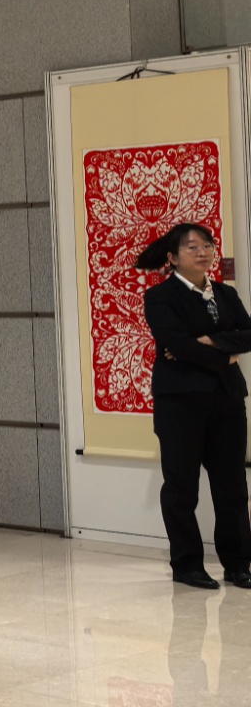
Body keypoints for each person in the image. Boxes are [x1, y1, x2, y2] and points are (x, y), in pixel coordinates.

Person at [137, 223, 251, 589]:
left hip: (227, 399)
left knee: (232, 486)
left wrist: (209, 341)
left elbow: (248, 334)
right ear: (172, 258)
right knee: (182, 488)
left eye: (207, 245)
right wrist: (227, 354)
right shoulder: (160, 297)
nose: (203, 252)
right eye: (192, 247)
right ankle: (187, 565)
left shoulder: (225, 293)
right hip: (180, 403)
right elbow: (177, 345)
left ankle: (238, 564)